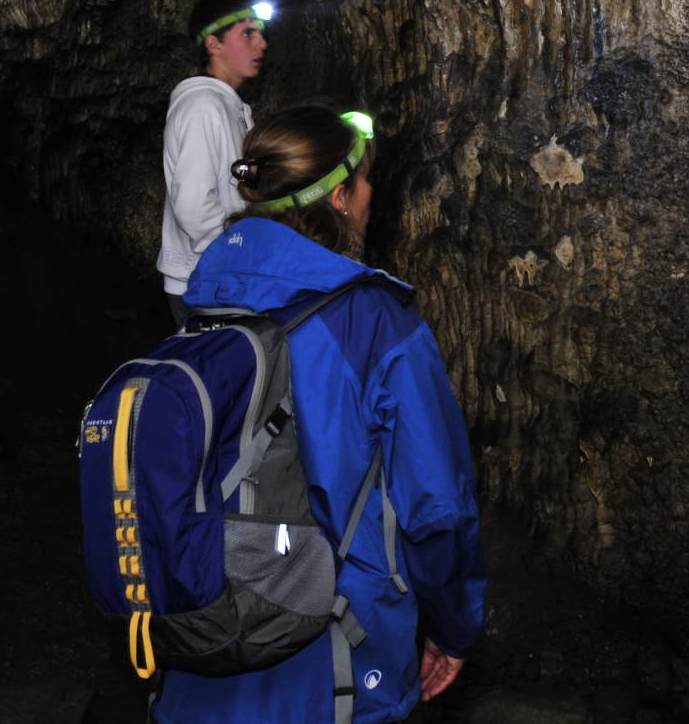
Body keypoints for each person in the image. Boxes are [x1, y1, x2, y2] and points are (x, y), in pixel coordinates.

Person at [156, 104, 484, 724]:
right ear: (338, 197)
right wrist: (455, 624)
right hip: (337, 661)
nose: (368, 197)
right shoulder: (374, 321)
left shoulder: (204, 311)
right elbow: (435, 504)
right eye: (363, 183)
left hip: (202, 644)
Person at [159, 0, 270, 324]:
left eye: (260, 34)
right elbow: (193, 207)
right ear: (214, 44)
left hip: (220, 278)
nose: (261, 44)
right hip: (205, 283)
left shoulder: (227, 106)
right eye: (248, 33)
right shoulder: (203, 108)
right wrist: (240, 255)